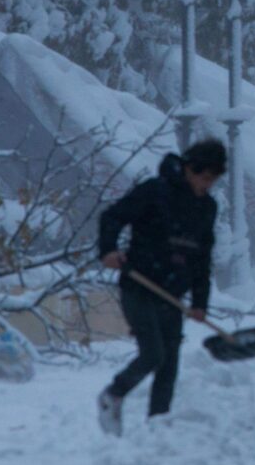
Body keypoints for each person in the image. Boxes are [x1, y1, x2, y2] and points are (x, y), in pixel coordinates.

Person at [95, 137, 226, 434]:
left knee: (169, 367)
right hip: (140, 286)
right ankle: (113, 395)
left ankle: (158, 429)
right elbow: (112, 216)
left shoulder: (206, 207)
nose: (207, 185)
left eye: (213, 180)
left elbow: (201, 258)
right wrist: (108, 250)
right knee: (153, 354)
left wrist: (200, 303)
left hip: (173, 294)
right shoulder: (155, 192)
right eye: (205, 177)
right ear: (190, 169)